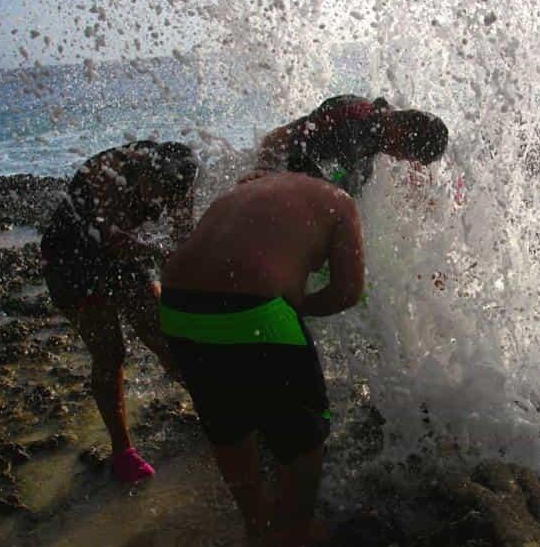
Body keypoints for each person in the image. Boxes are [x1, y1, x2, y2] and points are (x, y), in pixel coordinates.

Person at [159, 171, 364, 545]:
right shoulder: (340, 202)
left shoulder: (247, 190)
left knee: (228, 426)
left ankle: (255, 525)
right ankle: (294, 533)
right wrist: (298, 307)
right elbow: (347, 292)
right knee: (303, 440)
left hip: (175, 309)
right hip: (255, 313)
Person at [40, 140, 198, 483]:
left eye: (170, 197)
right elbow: (111, 238)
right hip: (72, 257)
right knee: (110, 353)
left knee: (166, 334)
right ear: (146, 172)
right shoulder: (109, 172)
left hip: (123, 252)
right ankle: (123, 452)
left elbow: (183, 236)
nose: (161, 204)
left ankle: (211, 406)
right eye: (158, 193)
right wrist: (159, 253)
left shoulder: (182, 174)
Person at [254, 94, 449, 195]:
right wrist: (264, 171)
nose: (398, 157)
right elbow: (291, 144)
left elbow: (336, 172)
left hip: (304, 162)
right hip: (275, 161)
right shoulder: (354, 122)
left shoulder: (375, 128)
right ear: (403, 128)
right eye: (405, 150)